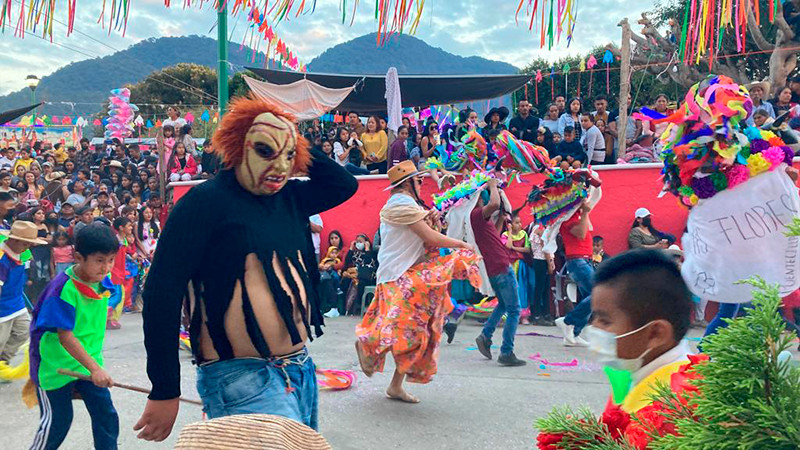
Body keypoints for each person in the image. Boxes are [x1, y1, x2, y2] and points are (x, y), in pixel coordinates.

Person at [136, 96, 357, 440]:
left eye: (288, 156)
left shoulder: (290, 198)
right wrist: (164, 388)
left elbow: (344, 184)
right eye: (266, 151)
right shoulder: (203, 203)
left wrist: (292, 137)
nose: (281, 167)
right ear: (238, 146)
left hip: (299, 369)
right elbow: (162, 294)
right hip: (239, 378)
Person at [355, 161, 478, 403]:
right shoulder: (401, 203)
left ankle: (394, 385)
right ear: (408, 184)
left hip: (404, 274)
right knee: (403, 329)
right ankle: (367, 343)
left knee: (419, 330)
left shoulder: (408, 205)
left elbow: (425, 230)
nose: (422, 184)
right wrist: (461, 244)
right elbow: (428, 236)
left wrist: (432, 217)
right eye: (419, 180)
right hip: (398, 276)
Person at [28, 223, 121, 449]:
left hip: (88, 362)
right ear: (79, 257)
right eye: (100, 260)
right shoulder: (63, 289)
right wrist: (95, 369)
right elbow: (65, 337)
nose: (106, 268)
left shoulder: (102, 281)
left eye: (111, 260)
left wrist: (94, 367)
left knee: (106, 415)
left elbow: (108, 298)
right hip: (55, 365)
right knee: (57, 422)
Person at [584, 249, 693, 414]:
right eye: (594, 317)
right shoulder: (634, 372)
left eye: (605, 321)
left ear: (656, 334)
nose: (594, 327)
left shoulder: (667, 408)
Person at [473, 178, 527, 366]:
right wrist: (493, 184)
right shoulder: (476, 214)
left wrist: (502, 222)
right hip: (501, 266)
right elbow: (495, 203)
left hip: (495, 267)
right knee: (514, 310)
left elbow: (493, 236)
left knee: (503, 304)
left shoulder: (479, 218)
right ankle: (506, 352)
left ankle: (486, 335)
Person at [0, 221, 47, 368]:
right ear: (14, 240)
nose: (28, 247)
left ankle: (3, 362)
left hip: (16, 302)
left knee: (24, 331)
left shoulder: (19, 252)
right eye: (25, 244)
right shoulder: (2, 259)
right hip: (2, 308)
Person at [554, 200, 595, 347]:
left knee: (588, 297)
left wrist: (584, 211)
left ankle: (574, 333)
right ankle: (568, 321)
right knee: (598, 293)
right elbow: (581, 233)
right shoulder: (567, 219)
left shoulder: (577, 216)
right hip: (577, 261)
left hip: (584, 260)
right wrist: (584, 212)